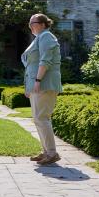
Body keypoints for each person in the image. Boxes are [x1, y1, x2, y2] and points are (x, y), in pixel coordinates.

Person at [22, 13, 63, 166]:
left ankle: (52, 153)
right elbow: (30, 66)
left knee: (42, 117)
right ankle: (46, 152)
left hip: (45, 83)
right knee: (38, 118)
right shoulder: (39, 38)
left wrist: (38, 81)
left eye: (34, 22)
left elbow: (45, 60)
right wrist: (29, 86)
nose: (31, 25)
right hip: (36, 84)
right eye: (30, 22)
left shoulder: (46, 36)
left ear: (44, 24)